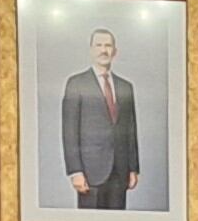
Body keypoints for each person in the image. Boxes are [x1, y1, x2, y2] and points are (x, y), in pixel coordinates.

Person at [60, 25, 141, 210]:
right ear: (91, 50)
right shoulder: (76, 83)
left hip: (120, 172)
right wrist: (75, 171)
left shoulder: (125, 87)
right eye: (98, 45)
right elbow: (69, 132)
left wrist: (133, 168)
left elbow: (130, 130)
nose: (104, 50)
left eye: (108, 45)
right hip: (90, 173)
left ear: (115, 51)